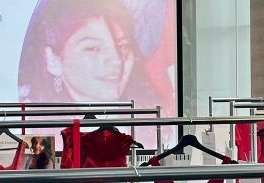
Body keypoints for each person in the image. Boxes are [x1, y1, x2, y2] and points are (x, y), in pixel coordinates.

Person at [18, 0, 168, 109]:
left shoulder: (154, 116)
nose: (116, 60)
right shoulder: (26, 119)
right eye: (93, 48)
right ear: (53, 61)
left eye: (123, 46)